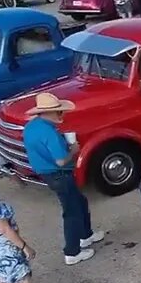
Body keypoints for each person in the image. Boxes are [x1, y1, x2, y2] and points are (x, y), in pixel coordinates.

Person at [22, 92, 103, 265]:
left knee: (80, 202)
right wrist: (73, 150)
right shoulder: (49, 132)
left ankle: (85, 235)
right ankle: (72, 252)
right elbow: (60, 160)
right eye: (58, 111)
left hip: (46, 173)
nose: (61, 114)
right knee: (72, 211)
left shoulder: (31, 127)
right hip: (60, 174)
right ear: (47, 112)